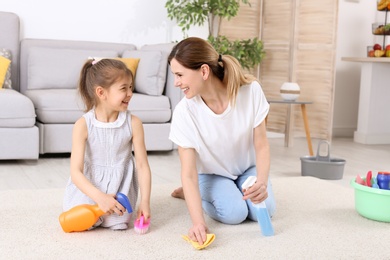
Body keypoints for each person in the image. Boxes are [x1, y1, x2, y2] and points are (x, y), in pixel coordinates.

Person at [168, 37, 276, 244]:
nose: (176, 83)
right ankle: (197, 194)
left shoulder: (250, 91)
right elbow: (188, 173)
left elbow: (261, 145)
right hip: (211, 175)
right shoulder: (185, 112)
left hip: (246, 169)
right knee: (234, 213)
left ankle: (230, 190)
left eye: (180, 75)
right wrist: (198, 222)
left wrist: (261, 182)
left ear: (204, 71)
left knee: (265, 209)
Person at [63, 58, 151, 230]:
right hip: (90, 188)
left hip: (120, 188)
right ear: (101, 93)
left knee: (119, 223)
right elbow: (75, 172)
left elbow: (142, 166)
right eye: (123, 88)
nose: (130, 93)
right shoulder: (83, 125)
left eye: (131, 87)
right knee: (83, 222)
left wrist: (145, 202)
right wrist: (100, 198)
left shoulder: (133, 123)